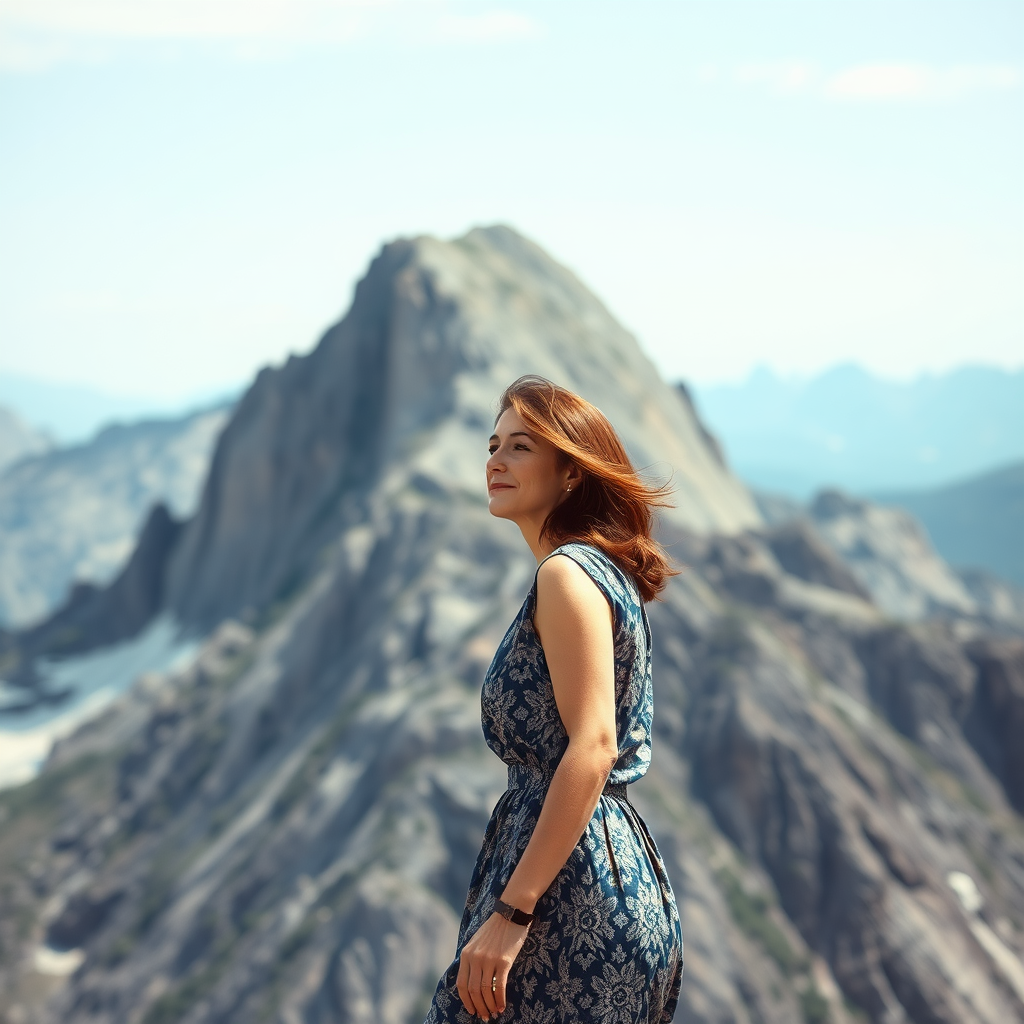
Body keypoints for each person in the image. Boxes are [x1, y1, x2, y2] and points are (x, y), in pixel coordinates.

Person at [424, 375, 683, 1023]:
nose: (495, 461)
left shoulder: (567, 574)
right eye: (492, 445)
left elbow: (594, 747)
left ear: (570, 474)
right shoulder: (599, 571)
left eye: (520, 447)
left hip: (570, 895)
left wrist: (512, 914)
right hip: (604, 872)